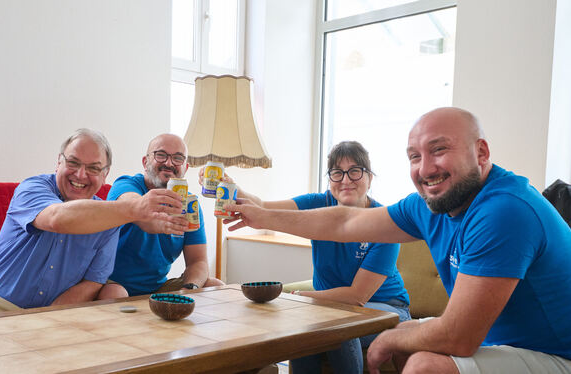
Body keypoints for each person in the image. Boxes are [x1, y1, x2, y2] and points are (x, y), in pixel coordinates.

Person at [225, 107, 571, 374]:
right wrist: (263, 216)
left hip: (555, 354)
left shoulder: (503, 210)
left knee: (423, 364)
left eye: (439, 150)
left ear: (481, 153)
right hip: (504, 343)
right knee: (410, 347)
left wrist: (393, 334)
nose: (425, 168)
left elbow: (458, 337)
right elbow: (346, 222)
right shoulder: (429, 205)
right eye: (414, 156)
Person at [0, 128, 185, 323]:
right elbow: (56, 218)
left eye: (93, 168)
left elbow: (93, 281)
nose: (81, 174)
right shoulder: (33, 187)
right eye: (72, 163)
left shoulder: (109, 216)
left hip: (52, 311)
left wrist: (43, 320)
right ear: (58, 162)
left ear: (105, 173)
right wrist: (133, 208)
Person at [199, 141, 411, 373]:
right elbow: (263, 207)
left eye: (355, 171)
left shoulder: (384, 223)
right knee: (304, 329)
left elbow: (357, 296)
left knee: (340, 327)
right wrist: (229, 186)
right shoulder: (318, 204)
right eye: (337, 173)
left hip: (387, 309)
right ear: (329, 180)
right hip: (327, 307)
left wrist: (299, 298)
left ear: (370, 178)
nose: (346, 180)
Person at [98, 134, 224, 298]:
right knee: (115, 292)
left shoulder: (191, 204)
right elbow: (138, 210)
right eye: (161, 155)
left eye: (178, 158)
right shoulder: (125, 185)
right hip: (113, 283)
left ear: (185, 168)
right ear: (145, 162)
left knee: (215, 285)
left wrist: (189, 289)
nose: (169, 163)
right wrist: (164, 222)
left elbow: (198, 261)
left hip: (157, 288)